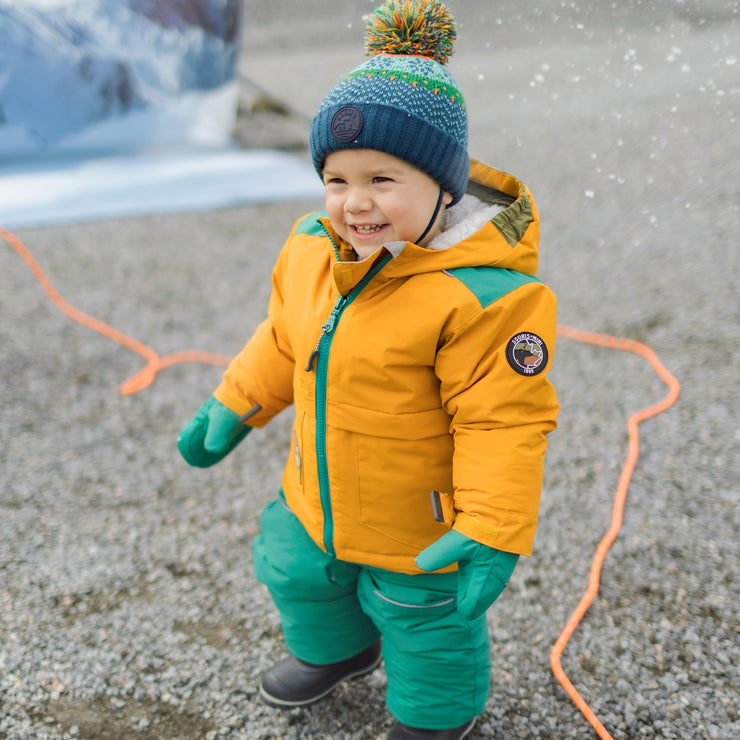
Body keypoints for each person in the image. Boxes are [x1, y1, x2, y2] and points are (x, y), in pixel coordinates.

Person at [177, 1, 559, 737]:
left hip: (419, 522)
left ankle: (435, 712)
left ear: (444, 186)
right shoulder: (310, 251)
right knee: (292, 570)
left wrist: (493, 524)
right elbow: (284, 340)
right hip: (314, 497)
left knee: (425, 618)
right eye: (337, 178)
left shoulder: (483, 299)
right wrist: (235, 404)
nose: (355, 203)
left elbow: (503, 419)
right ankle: (340, 651)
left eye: (384, 179)